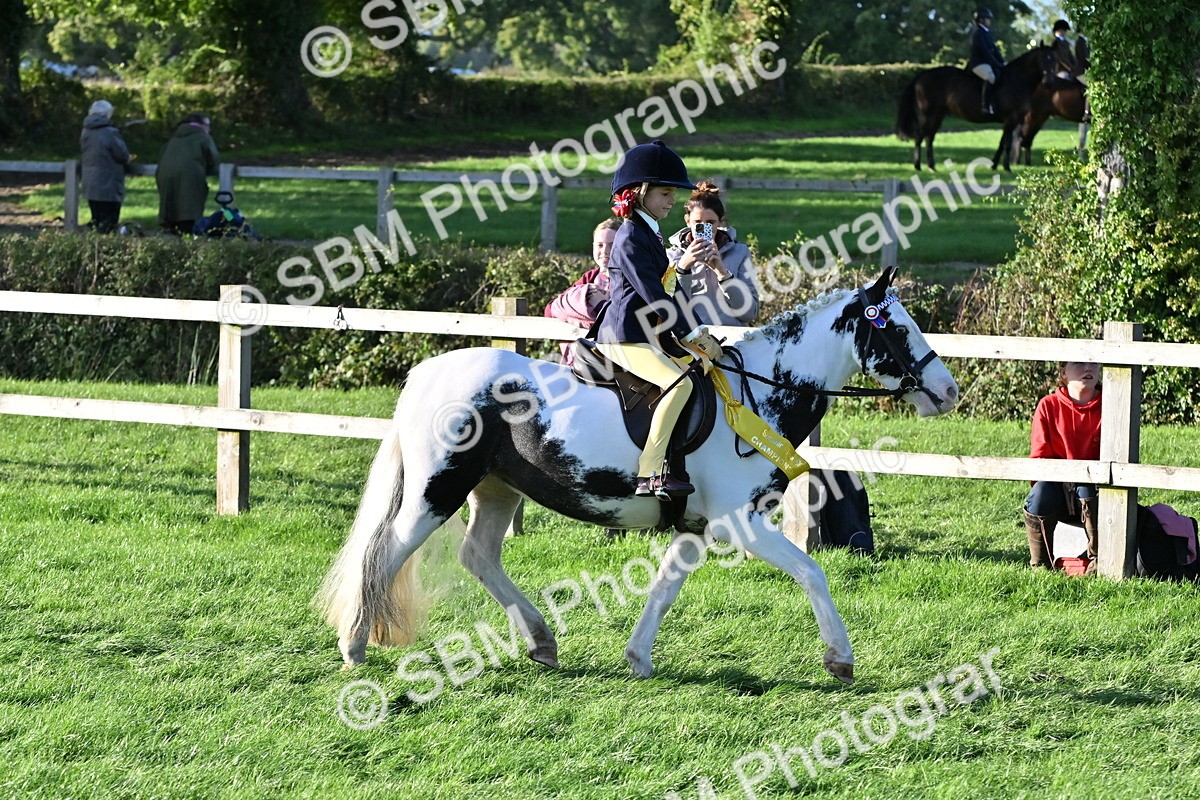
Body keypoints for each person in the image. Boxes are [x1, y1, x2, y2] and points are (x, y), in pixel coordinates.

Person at [595, 140, 720, 499]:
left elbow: (666, 288)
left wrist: (692, 336)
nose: (672, 201)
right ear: (640, 193)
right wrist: (690, 332)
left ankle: (680, 463)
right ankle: (650, 472)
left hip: (646, 334)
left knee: (700, 369)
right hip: (625, 337)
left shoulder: (649, 231)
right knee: (680, 384)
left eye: (671, 194)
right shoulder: (631, 236)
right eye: (665, 193)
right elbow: (654, 297)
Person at [1023, 361, 1102, 571]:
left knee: (1087, 488)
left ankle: (1099, 561)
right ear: (1063, 373)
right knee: (1039, 493)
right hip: (1057, 487)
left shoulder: (1110, 406)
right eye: (1079, 363)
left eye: (1093, 363)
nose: (1088, 368)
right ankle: (1041, 566)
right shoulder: (1048, 405)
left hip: (1095, 490)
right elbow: (1039, 459)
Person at [666, 180, 759, 327]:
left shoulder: (739, 253)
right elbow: (670, 315)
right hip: (693, 341)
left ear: (720, 222)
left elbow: (750, 314)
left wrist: (723, 274)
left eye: (710, 223)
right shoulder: (671, 256)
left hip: (733, 338)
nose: (703, 228)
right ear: (687, 221)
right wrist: (683, 269)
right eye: (698, 222)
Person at [544, 218, 621, 365]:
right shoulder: (590, 278)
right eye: (600, 245)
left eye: (612, 245)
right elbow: (550, 310)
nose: (604, 251)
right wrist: (582, 297)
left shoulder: (629, 279)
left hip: (615, 363)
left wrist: (600, 304)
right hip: (580, 363)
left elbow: (622, 321)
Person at [157, 113, 219, 235]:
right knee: (189, 210)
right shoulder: (203, 138)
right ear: (202, 126)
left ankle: (171, 234)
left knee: (170, 207)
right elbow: (213, 159)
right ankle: (189, 236)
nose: (209, 129)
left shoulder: (174, 139)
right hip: (190, 178)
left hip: (165, 176)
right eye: (208, 126)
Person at [79, 100, 134, 233]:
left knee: (96, 220)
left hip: (90, 181)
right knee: (109, 221)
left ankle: (94, 248)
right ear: (108, 114)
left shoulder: (86, 131)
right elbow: (121, 154)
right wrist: (128, 158)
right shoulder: (110, 132)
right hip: (108, 182)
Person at [966, 8, 1005, 115]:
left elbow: (994, 49)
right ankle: (985, 105)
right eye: (988, 19)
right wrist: (997, 64)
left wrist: (1003, 62)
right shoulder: (977, 33)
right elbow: (985, 52)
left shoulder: (987, 32)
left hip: (987, 62)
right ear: (981, 20)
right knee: (990, 77)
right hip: (978, 63)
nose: (990, 21)